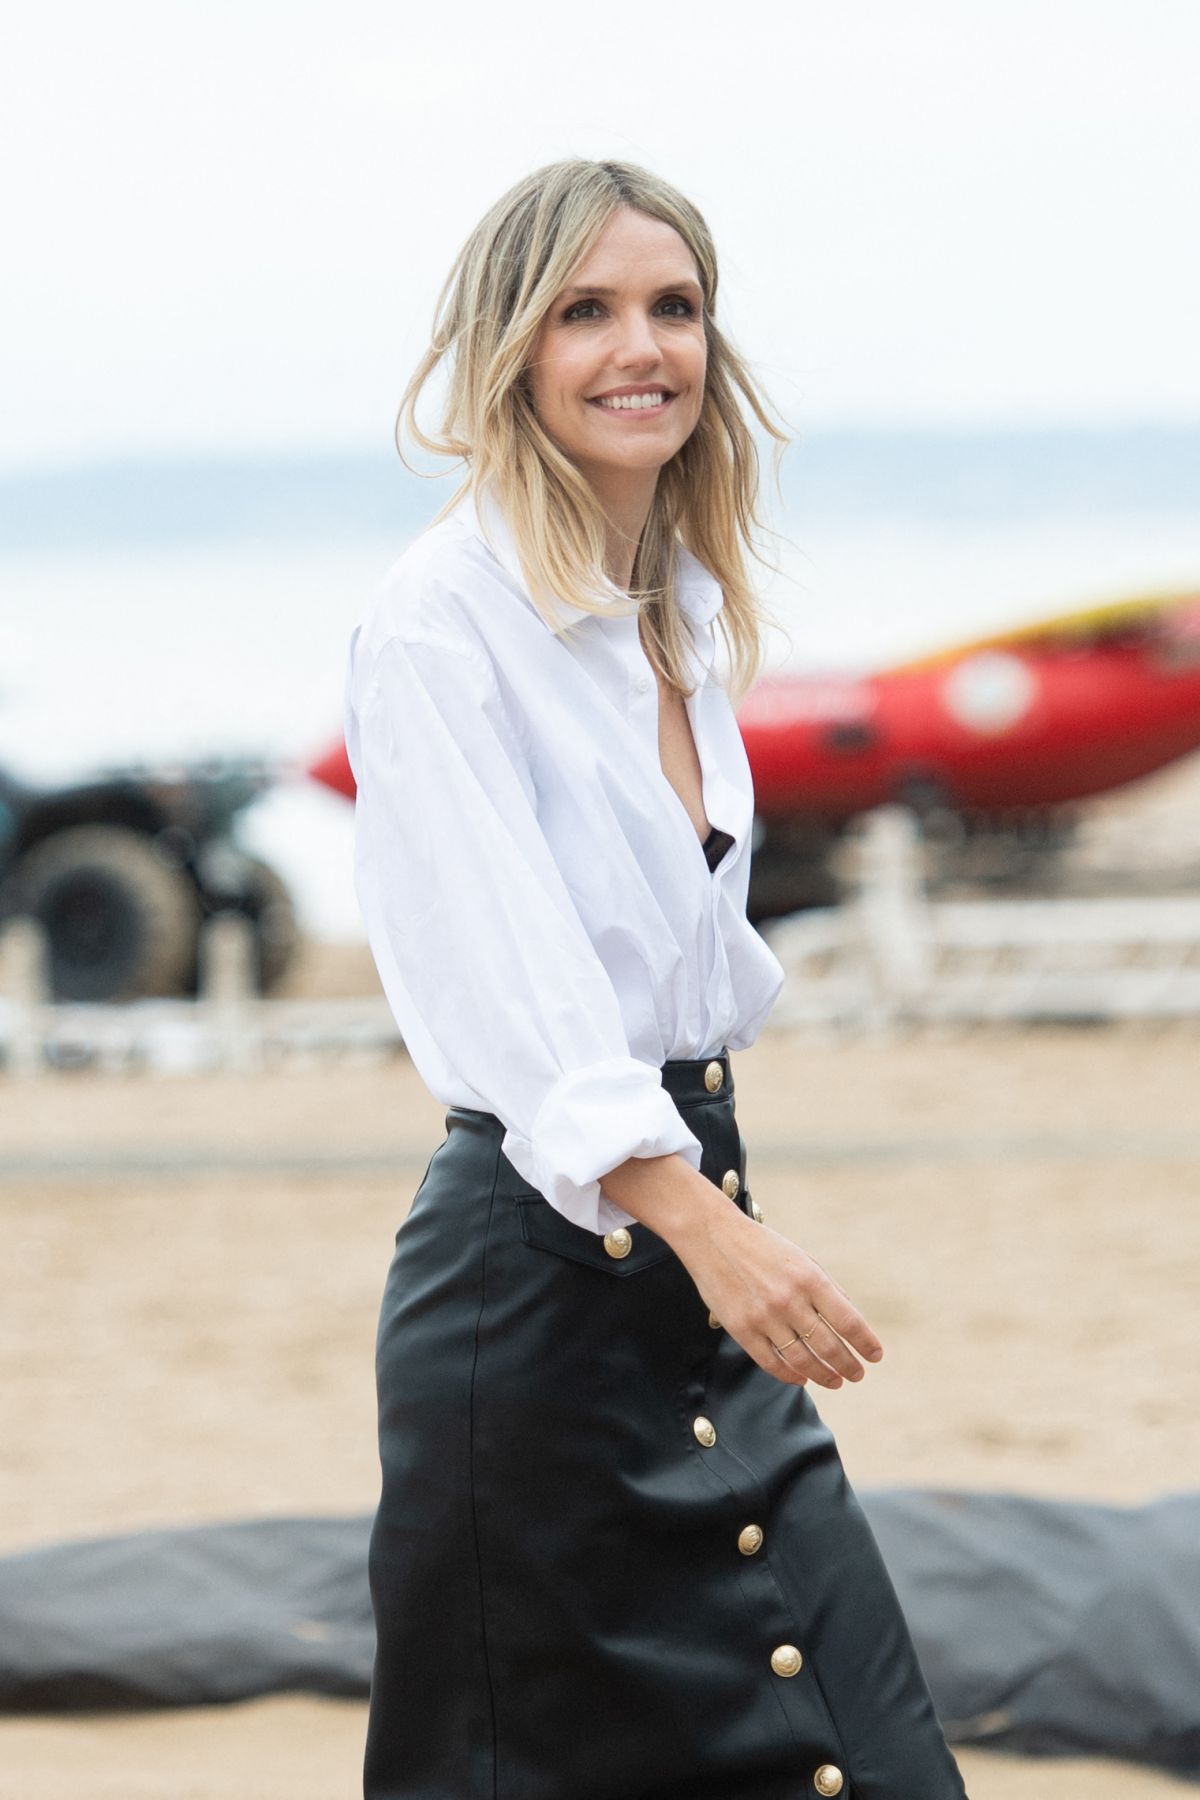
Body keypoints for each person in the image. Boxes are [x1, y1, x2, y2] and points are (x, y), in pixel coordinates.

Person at [343, 158, 968, 1800]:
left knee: (876, 1757)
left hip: (694, 1258)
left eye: (674, 308)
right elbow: (517, 991)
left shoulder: (676, 611)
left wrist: (709, 1225)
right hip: (541, 1300)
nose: (645, 349)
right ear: (509, 349)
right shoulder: (436, 626)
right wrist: (708, 1226)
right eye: (588, 311)